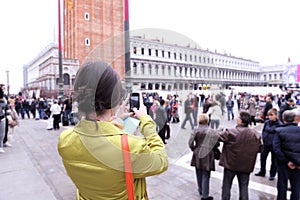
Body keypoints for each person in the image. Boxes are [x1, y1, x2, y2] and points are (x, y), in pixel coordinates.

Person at [58, 61, 168, 200]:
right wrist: (146, 121)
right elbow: (161, 161)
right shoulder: (130, 147)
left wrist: (116, 121)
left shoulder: (65, 140)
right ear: (115, 98)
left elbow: (99, 135)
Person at [219, 111, 262, 200]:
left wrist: (219, 130)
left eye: (238, 118)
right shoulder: (255, 134)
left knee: (226, 185)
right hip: (246, 165)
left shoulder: (231, 132)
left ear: (240, 121)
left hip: (231, 163)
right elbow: (260, 148)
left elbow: (218, 137)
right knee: (244, 187)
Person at [188, 113, 219, 200]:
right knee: (206, 174)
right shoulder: (212, 131)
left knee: (198, 171)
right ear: (207, 120)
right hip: (208, 153)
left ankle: (201, 190)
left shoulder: (195, 130)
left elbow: (190, 142)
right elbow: (216, 143)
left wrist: (194, 149)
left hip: (197, 151)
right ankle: (205, 195)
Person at [273, 110, 300, 200]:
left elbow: (276, 149)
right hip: (297, 163)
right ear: (294, 119)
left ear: (283, 119)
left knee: (282, 186)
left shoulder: (279, 130)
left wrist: (287, 161)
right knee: (296, 187)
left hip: (283, 163)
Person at [255, 108, 282, 180]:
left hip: (274, 145)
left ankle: (272, 174)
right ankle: (262, 171)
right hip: (266, 144)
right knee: (263, 157)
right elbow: (263, 131)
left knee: (274, 160)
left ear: (276, 115)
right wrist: (263, 138)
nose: (269, 117)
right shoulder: (267, 122)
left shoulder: (279, 124)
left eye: (271, 115)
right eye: (269, 115)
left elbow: (278, 134)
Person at [0, 88, 9, 153]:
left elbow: (7, 110)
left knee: (2, 134)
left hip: (2, 118)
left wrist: (9, 118)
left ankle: (0, 146)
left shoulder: (4, 102)